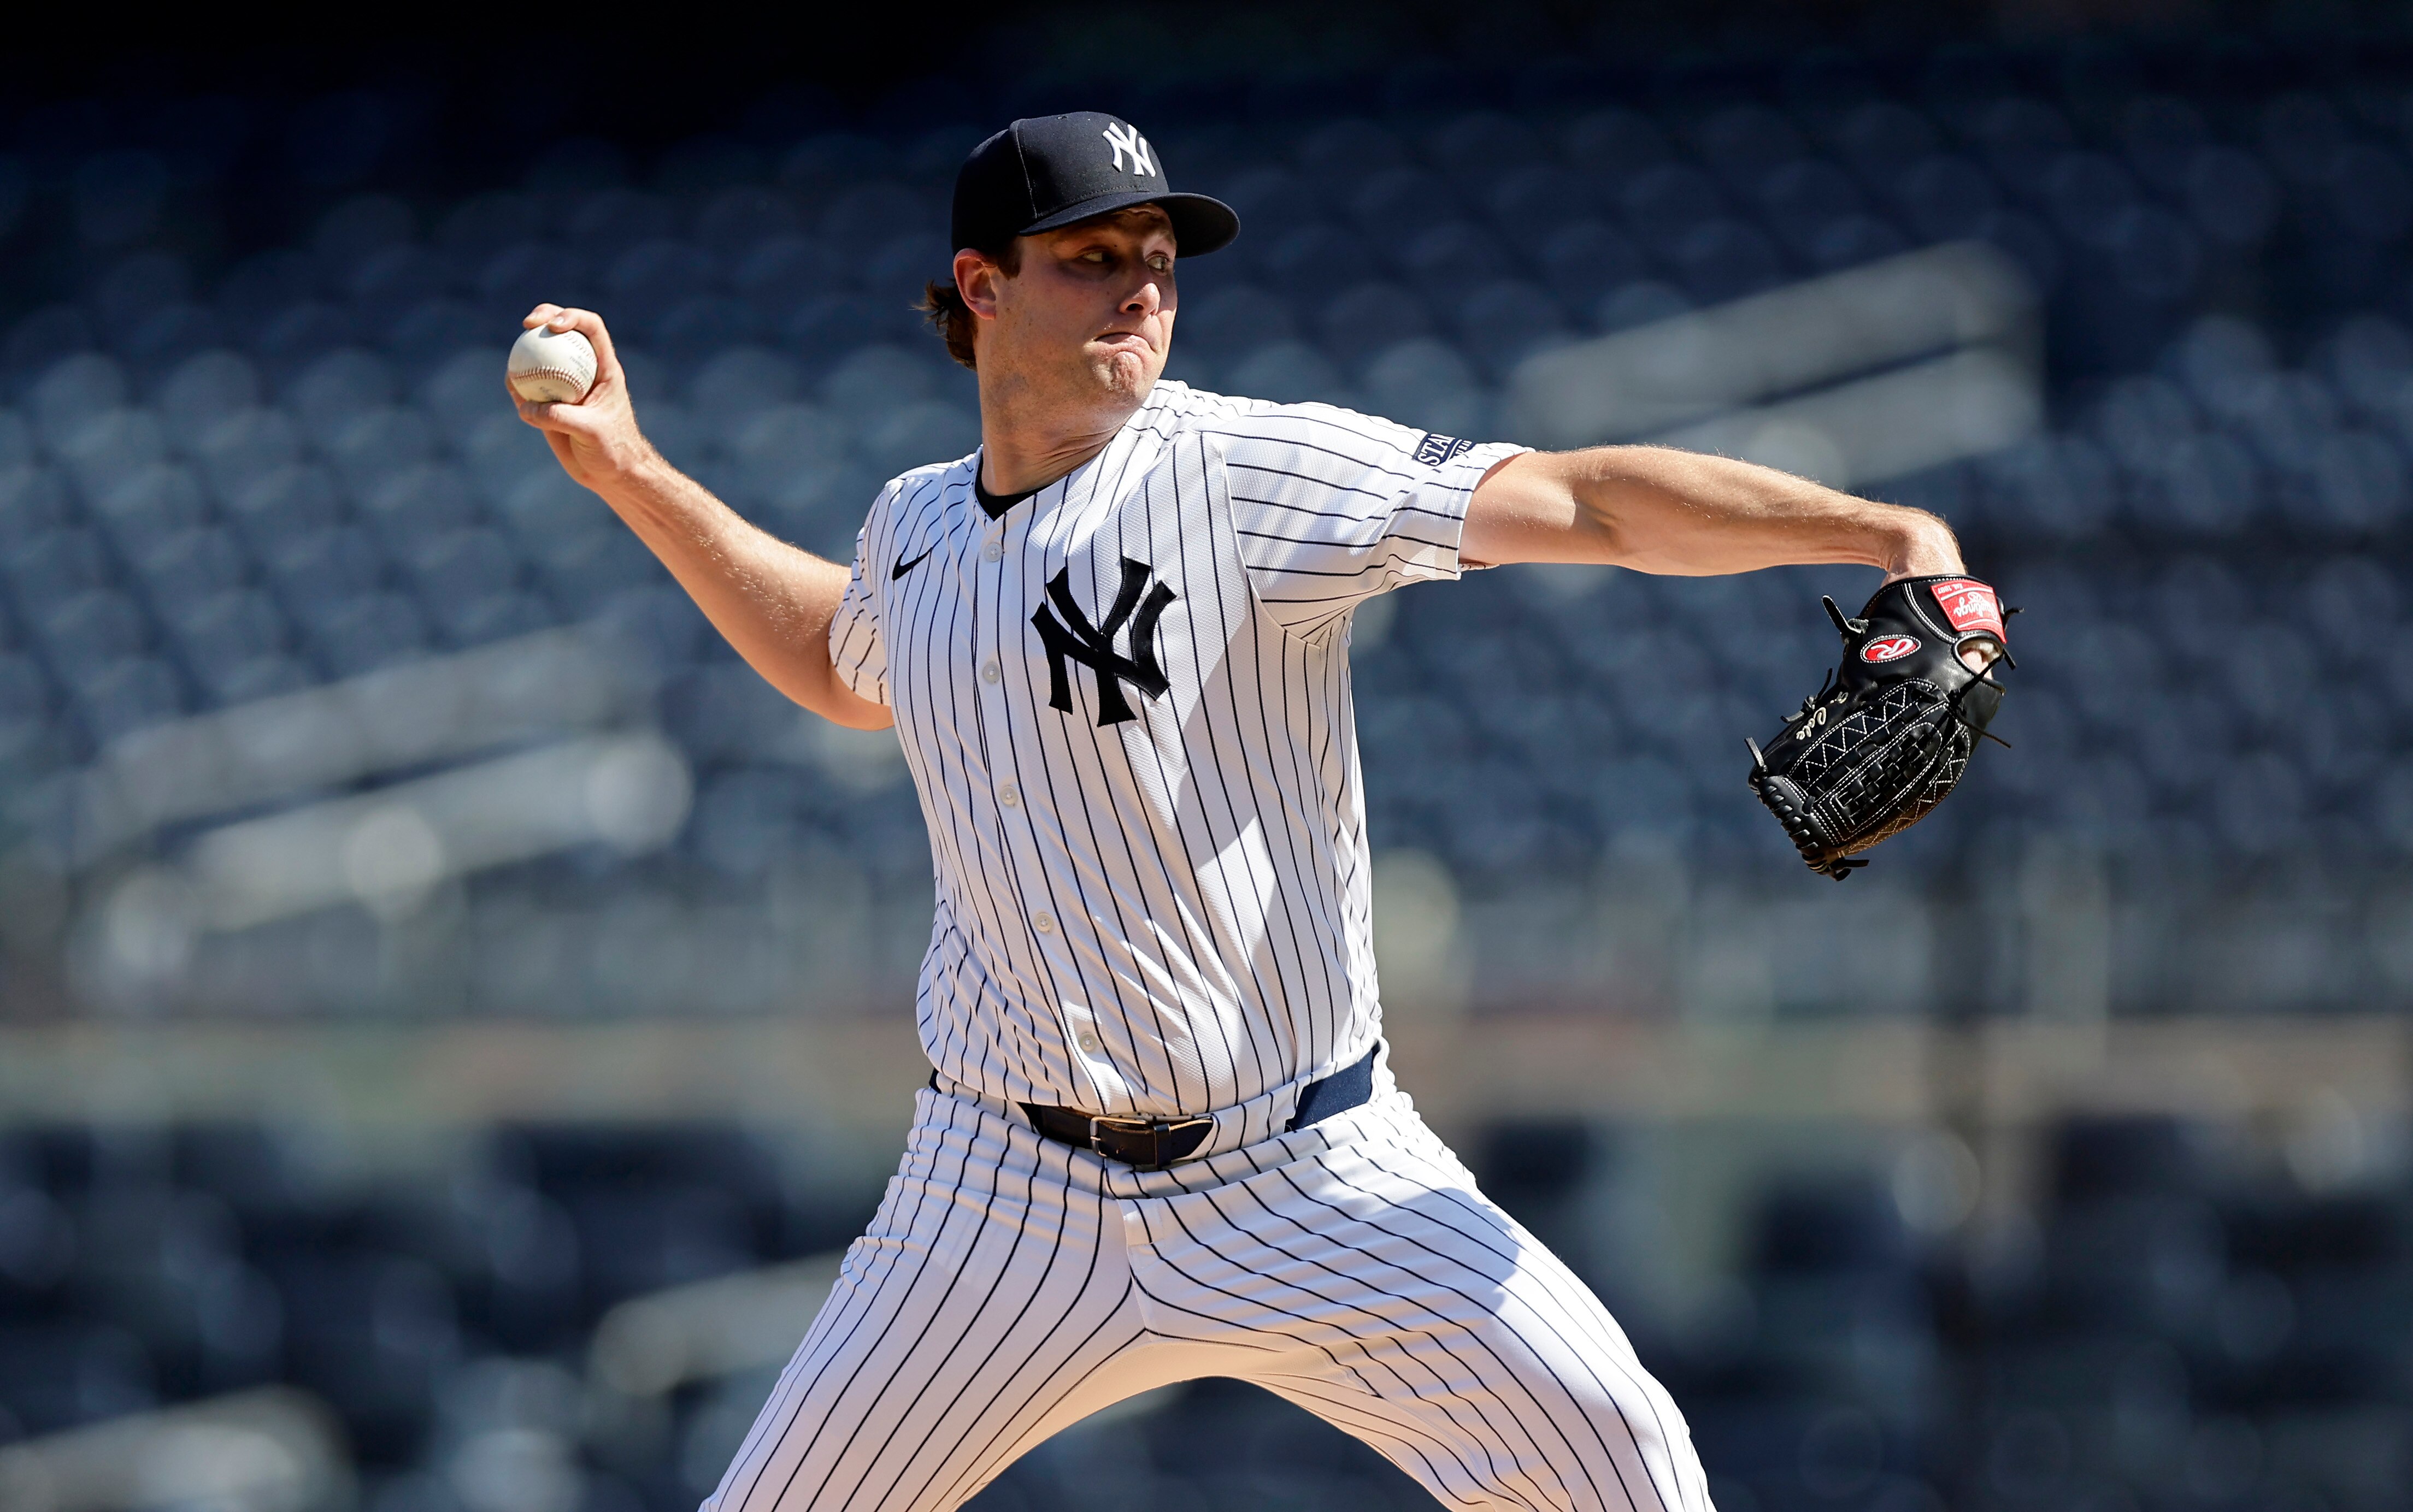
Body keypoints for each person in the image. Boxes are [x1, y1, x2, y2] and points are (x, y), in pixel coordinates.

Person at [515, 111, 1970, 1512]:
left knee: (1623, 1465)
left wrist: (1882, 535)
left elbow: (1584, 505)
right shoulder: (916, 527)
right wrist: (630, 473)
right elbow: (846, 664)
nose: (1143, 288)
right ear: (981, 285)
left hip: (1309, 1171)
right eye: (1093, 256)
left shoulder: (1244, 473)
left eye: (1159, 256)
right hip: (997, 1199)